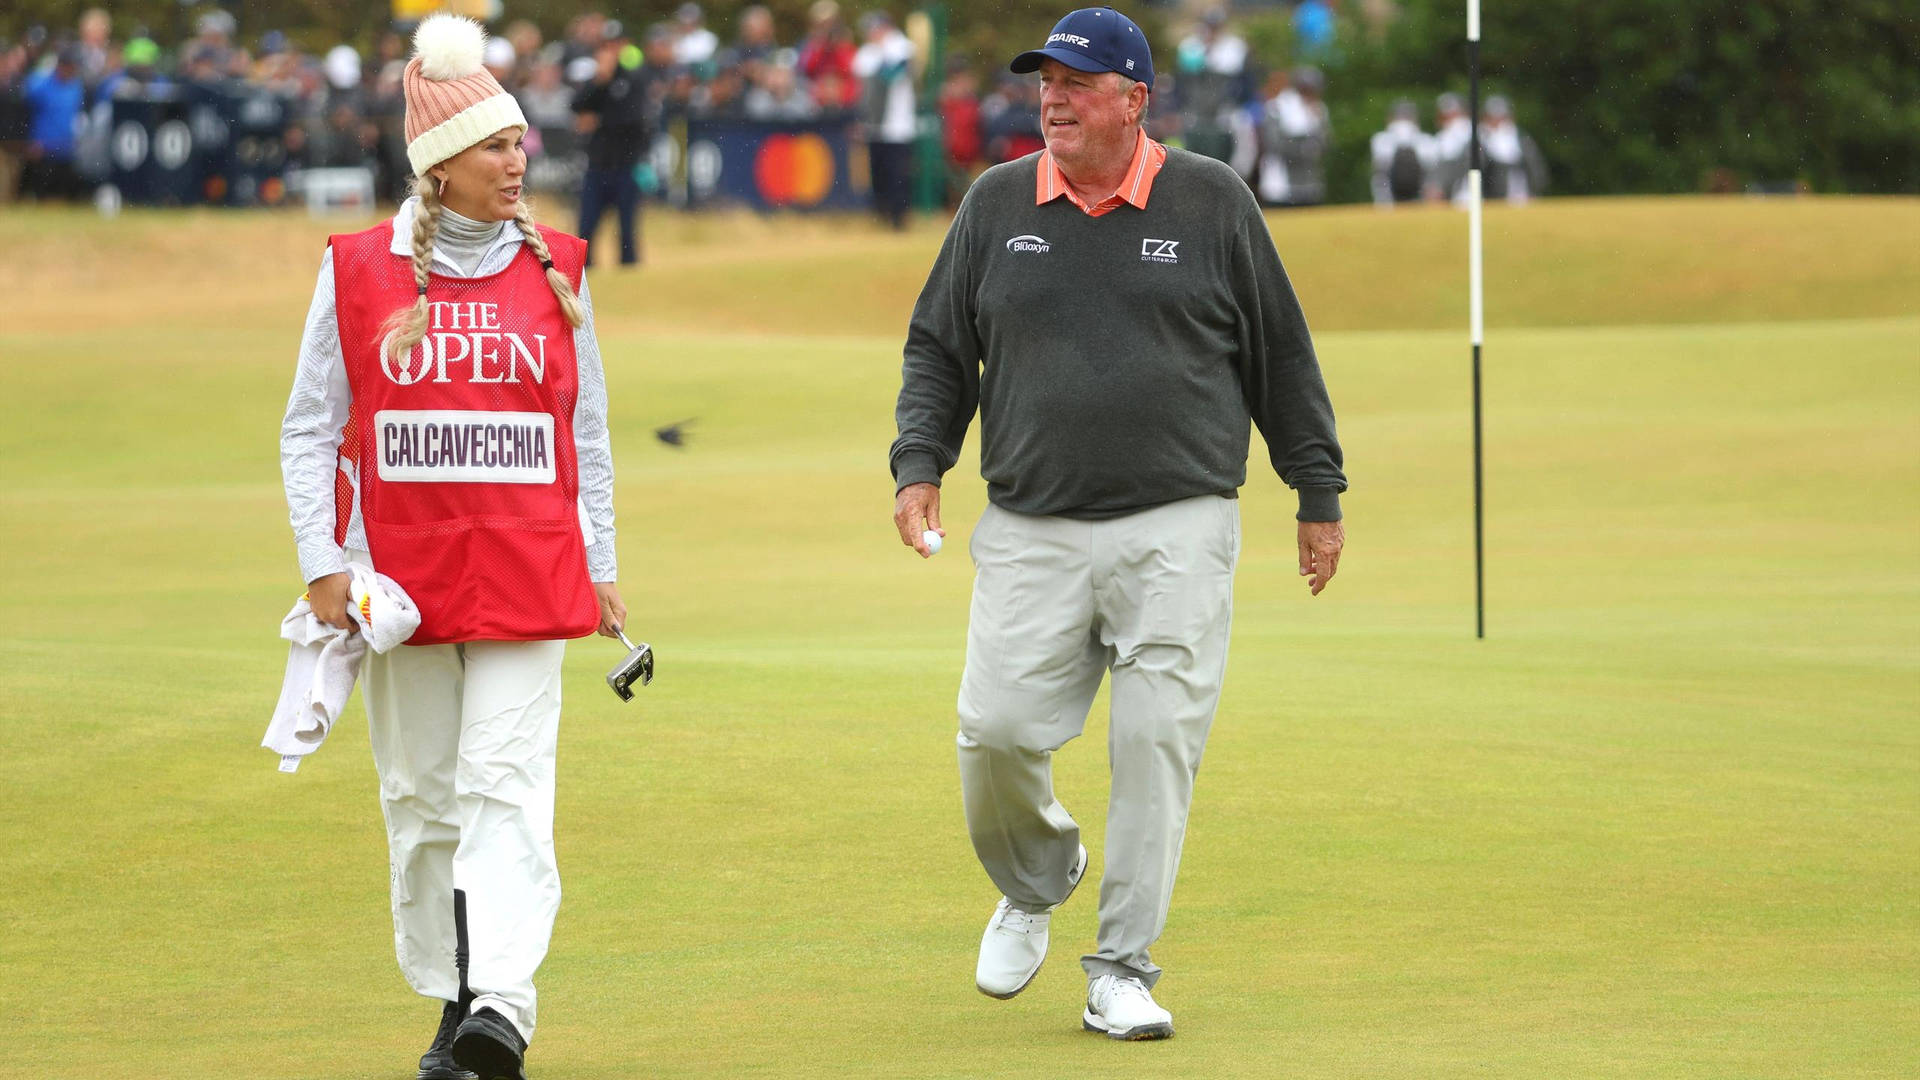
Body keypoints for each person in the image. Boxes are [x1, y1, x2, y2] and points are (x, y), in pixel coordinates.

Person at [889, 6, 1346, 1043]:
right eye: (1045, 81)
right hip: (1030, 522)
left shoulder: (1211, 200)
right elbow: (937, 348)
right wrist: (921, 463)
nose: (1052, 98)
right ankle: (1038, 878)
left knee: (1155, 750)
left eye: (1078, 83)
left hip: (1180, 523)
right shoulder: (998, 201)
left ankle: (1121, 970)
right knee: (995, 734)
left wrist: (1315, 492)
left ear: (1135, 101)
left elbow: (1281, 353)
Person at [278, 15, 624, 1080]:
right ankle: (451, 996)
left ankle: (501, 1015)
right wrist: (323, 560)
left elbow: (590, 432)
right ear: (439, 167)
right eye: (494, 147)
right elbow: (309, 424)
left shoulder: (561, 267)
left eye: (520, 143)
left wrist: (601, 561)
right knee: (422, 798)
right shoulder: (355, 272)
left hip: (531, 576)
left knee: (504, 787)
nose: (518, 161)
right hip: (402, 586)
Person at [572, 20, 650, 267]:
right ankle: (585, 271)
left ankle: (629, 269)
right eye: (606, 45)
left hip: (625, 164)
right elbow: (577, 105)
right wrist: (600, 81)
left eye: (616, 44)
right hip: (598, 164)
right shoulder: (599, 79)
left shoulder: (636, 77)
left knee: (627, 228)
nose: (611, 50)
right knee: (586, 226)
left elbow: (634, 119)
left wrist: (599, 119)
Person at [851, 9, 916, 229]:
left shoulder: (901, 47)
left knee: (896, 174)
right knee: (877, 174)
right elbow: (864, 87)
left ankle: (898, 219)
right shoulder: (868, 52)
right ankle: (881, 216)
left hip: (898, 124)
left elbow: (891, 75)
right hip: (874, 126)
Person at [1369, 98, 1434, 206]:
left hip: (1417, 185)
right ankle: (1384, 204)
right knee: (1380, 173)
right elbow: (1382, 164)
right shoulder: (1381, 139)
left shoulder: (1425, 139)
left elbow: (1428, 165)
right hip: (1392, 184)